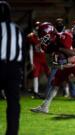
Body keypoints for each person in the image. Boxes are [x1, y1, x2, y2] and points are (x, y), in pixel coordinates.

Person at [0, 1, 24, 135]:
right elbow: (23, 51)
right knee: (14, 103)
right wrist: (20, 69)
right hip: (14, 68)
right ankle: (12, 132)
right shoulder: (18, 29)